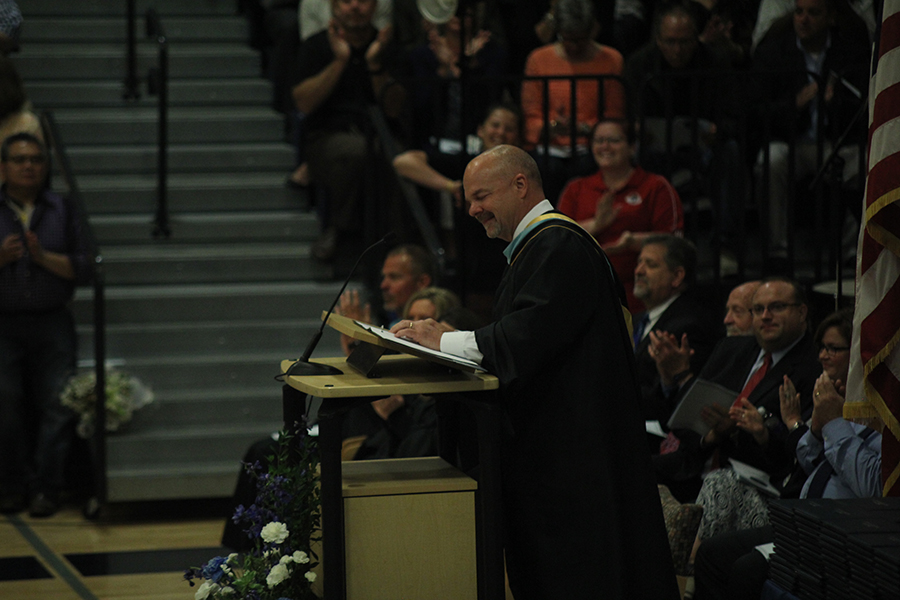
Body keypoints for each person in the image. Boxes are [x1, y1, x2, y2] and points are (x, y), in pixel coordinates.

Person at [390, 145, 678, 599]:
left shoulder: (558, 244)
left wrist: (442, 340)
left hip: (575, 469)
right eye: (468, 199)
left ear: (520, 185)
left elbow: (524, 340)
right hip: (560, 459)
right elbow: (529, 334)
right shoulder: (537, 249)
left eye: (481, 196)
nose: (473, 210)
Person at [692, 308, 882, 600]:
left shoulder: (882, 411)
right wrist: (817, 429)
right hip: (801, 516)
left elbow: (873, 485)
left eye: (834, 349)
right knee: (712, 551)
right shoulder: (836, 397)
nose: (824, 356)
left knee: (745, 568)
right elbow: (808, 460)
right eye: (822, 348)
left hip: (840, 532)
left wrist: (817, 423)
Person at [649, 277, 821, 501]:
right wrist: (710, 437)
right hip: (694, 461)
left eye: (777, 307)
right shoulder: (731, 349)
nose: (766, 316)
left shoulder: (814, 368)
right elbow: (685, 419)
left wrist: (758, 434)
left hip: (753, 483)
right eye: (758, 310)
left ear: (801, 312)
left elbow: (796, 457)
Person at [0, 132, 91, 517]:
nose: (28, 166)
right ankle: (11, 486)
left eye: (36, 159)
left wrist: (42, 257)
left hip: (53, 320)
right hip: (2, 323)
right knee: (6, 406)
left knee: (58, 403)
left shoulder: (63, 208)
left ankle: (48, 489)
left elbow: (85, 266)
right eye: (20, 159)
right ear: (4, 166)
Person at [750, 0, 869, 271]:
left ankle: (854, 252)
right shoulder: (774, 52)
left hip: (834, 143)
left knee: (864, 162)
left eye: (813, 13)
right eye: (799, 12)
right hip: (792, 143)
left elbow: (863, 109)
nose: (803, 19)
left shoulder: (849, 52)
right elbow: (757, 113)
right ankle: (778, 252)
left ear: (831, 17)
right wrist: (795, 105)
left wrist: (834, 103)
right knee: (771, 161)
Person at [292, 0, 401, 262]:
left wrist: (374, 63)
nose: (354, 7)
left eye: (363, 1)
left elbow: (395, 108)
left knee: (396, 159)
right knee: (359, 152)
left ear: (375, 6)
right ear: (333, 6)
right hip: (325, 138)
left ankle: (394, 246)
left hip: (380, 134)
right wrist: (340, 61)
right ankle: (342, 230)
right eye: (346, 0)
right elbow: (303, 102)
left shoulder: (388, 45)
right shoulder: (316, 45)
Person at [392, 103, 520, 316]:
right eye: (495, 125)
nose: (501, 133)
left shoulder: (524, 170)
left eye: (509, 128)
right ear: (480, 130)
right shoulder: (465, 163)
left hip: (509, 274)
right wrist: (451, 186)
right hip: (469, 278)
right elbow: (403, 162)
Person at [557, 119, 683, 310]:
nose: (604, 146)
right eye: (599, 141)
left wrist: (633, 242)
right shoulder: (576, 188)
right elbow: (556, 239)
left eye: (613, 140)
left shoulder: (655, 186)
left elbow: (674, 241)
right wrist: (596, 225)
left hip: (641, 296)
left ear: (632, 147)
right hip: (584, 292)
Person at [521, 0, 627, 204]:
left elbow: (615, 115)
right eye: (568, 39)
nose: (574, 46)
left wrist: (585, 128)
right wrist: (552, 127)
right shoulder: (538, 59)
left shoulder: (611, 59)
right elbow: (531, 116)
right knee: (546, 169)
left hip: (592, 146)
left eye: (581, 40)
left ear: (592, 31)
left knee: (589, 166)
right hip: (549, 147)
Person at [631, 235, 721, 427]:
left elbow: (672, 401)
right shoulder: (636, 319)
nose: (638, 271)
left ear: (677, 276)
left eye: (651, 265)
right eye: (639, 263)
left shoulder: (689, 325)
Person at [336, 243, 435, 356]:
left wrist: (361, 341)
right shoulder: (389, 321)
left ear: (422, 282)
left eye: (394, 277)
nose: (383, 285)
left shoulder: (438, 322)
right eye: (384, 277)